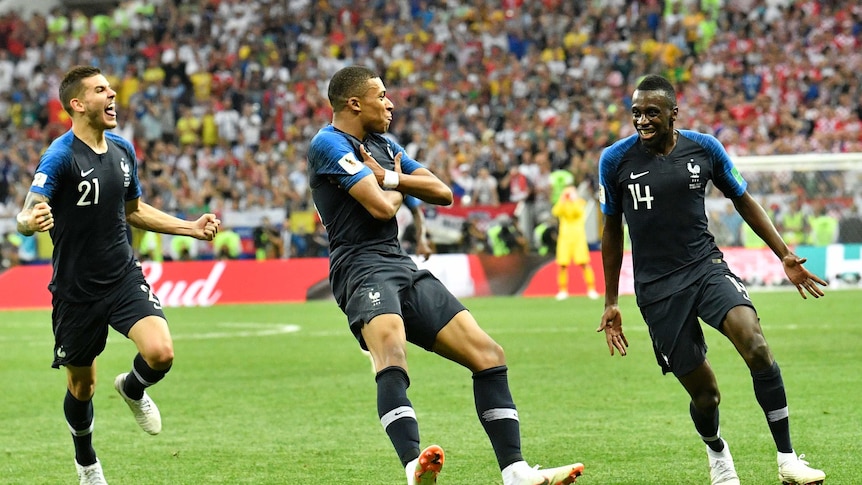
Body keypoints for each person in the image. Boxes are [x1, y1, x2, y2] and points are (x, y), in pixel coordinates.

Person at [307, 65, 583, 485]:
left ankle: (517, 472)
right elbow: (381, 207)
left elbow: (443, 192)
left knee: (489, 354)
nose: (390, 102)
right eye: (381, 95)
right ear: (354, 103)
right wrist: (397, 184)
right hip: (360, 267)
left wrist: (391, 178)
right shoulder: (327, 144)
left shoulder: (383, 145)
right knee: (392, 355)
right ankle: (413, 466)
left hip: (400, 263)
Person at [596, 74, 826, 485]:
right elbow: (611, 231)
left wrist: (785, 255)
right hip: (656, 290)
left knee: (755, 345)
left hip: (706, 267)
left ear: (673, 113)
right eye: (636, 113)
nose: (642, 121)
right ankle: (717, 451)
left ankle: (788, 459)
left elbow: (742, 198)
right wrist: (611, 301)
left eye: (651, 112)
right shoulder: (614, 161)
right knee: (707, 396)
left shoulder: (704, 148)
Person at [15, 65, 220, 485]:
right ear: (78, 104)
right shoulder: (60, 155)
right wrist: (28, 221)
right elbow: (25, 210)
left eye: (111, 88)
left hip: (123, 274)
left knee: (161, 353)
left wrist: (190, 227)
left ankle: (132, 387)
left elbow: (134, 210)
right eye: (101, 90)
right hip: (76, 289)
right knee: (82, 387)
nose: (113, 96)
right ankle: (87, 463)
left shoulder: (124, 150)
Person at [551, 184, 598, 300]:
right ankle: (562, 290)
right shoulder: (562, 204)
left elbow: (578, 212)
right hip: (564, 237)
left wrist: (574, 200)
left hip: (578, 237)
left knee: (584, 263)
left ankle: (591, 289)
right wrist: (562, 200)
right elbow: (555, 212)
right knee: (562, 264)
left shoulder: (579, 202)